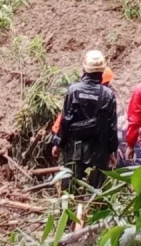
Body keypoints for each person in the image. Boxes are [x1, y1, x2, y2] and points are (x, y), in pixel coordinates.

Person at [52, 51, 118, 191]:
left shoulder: (73, 91)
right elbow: (112, 126)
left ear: (84, 70)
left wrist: (58, 144)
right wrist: (112, 151)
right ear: (101, 72)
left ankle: (68, 210)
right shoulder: (108, 95)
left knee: (70, 189)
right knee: (95, 193)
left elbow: (66, 121)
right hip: (99, 151)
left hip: (74, 149)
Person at [50, 67, 114, 148]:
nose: (108, 85)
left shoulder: (77, 91)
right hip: (78, 140)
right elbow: (65, 118)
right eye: (107, 83)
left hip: (76, 139)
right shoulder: (103, 96)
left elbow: (66, 117)